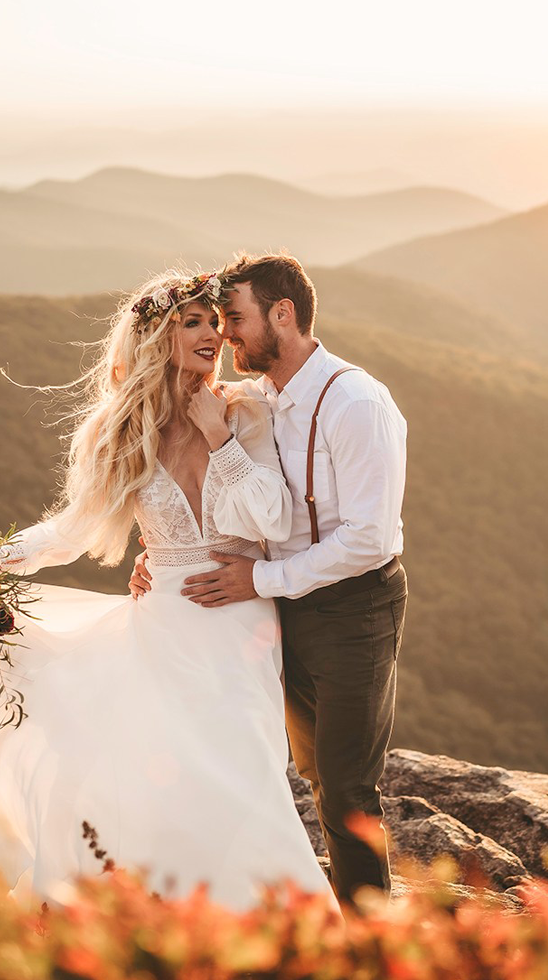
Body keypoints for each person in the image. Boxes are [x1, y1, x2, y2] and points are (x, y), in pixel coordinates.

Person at [0, 268, 336, 913]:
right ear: (156, 340)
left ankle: (283, 928)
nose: (213, 334)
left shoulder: (246, 411)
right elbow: (70, 530)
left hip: (240, 628)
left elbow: (275, 519)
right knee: (158, 779)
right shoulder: (123, 435)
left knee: (243, 776)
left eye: (215, 321)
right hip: (162, 629)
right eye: (193, 323)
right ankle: (166, 922)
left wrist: (217, 435)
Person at [133, 252, 407, 907]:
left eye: (236, 320)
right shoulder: (255, 399)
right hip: (282, 606)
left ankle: (373, 949)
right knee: (311, 772)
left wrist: (262, 578)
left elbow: (367, 540)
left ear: (284, 315)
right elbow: (212, 486)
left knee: (346, 786)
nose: (225, 336)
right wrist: (164, 553)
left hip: (353, 606)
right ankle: (340, 919)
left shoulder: (357, 403)